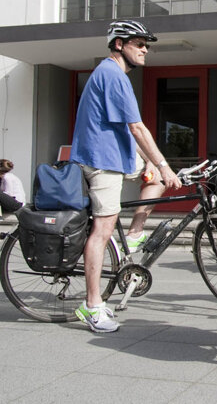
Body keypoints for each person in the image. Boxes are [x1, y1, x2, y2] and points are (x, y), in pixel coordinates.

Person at [70, 19, 182, 333]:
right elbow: (137, 127)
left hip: (115, 156)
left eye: (147, 45)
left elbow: (128, 130)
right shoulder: (112, 74)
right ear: (119, 44)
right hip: (101, 161)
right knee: (101, 231)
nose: (146, 49)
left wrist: (149, 164)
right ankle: (92, 306)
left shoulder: (112, 74)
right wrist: (162, 164)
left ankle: (133, 236)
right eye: (139, 44)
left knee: (155, 182)